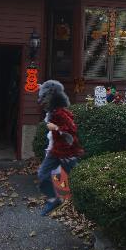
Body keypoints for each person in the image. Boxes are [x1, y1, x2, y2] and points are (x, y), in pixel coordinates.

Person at [36, 80, 84, 216]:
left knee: (76, 177)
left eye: (45, 99)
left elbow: (72, 129)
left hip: (67, 153)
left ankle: (87, 201)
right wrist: (41, 89)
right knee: (42, 174)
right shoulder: (52, 112)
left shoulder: (60, 114)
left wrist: (56, 128)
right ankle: (54, 199)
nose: (42, 102)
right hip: (55, 151)